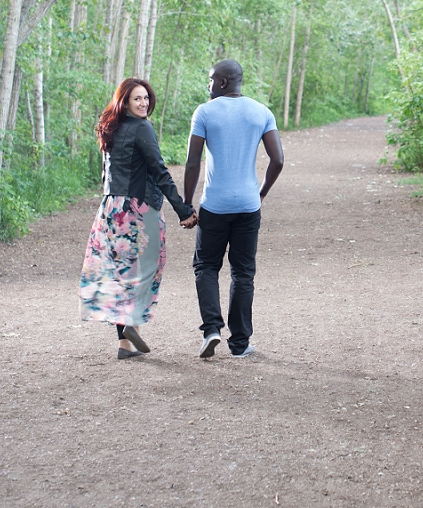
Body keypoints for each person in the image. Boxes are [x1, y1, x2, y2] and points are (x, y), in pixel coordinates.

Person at [79, 77, 198, 359]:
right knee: (148, 267)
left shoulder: (112, 126)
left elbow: (108, 173)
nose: (144, 103)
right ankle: (131, 319)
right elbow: (159, 171)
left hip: (111, 208)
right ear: (125, 102)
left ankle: (124, 344)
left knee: (120, 272)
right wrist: (183, 209)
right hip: (137, 209)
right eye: (137, 99)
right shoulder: (142, 128)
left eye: (146, 98)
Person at [184, 59, 283, 359]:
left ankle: (212, 329)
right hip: (248, 206)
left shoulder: (204, 112)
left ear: (223, 82)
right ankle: (240, 344)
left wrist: (187, 204)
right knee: (243, 273)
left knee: (205, 266)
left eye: (211, 78)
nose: (208, 84)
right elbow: (277, 160)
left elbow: (192, 163)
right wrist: (261, 193)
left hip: (214, 206)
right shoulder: (261, 112)